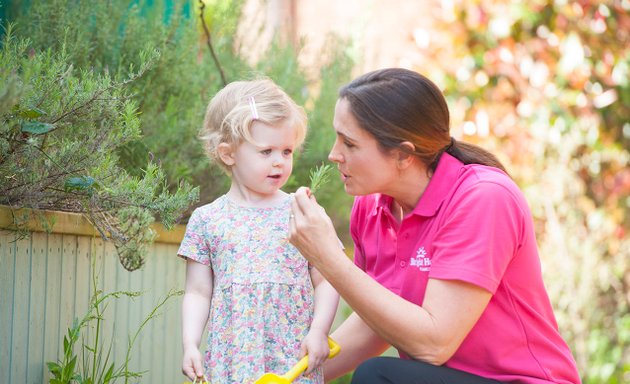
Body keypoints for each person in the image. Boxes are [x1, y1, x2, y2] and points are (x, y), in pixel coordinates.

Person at [288, 68, 581, 384]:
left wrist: (327, 258)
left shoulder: (482, 198)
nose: (334, 154)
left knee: (378, 377)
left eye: (350, 144)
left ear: (403, 154)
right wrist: (289, 379)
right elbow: (374, 324)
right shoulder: (372, 207)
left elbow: (433, 344)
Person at [178, 78, 340, 384]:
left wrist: (319, 331)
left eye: (287, 151)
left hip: (292, 360)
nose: (279, 161)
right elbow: (198, 292)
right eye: (266, 152)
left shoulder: (304, 210)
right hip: (232, 363)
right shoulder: (207, 220)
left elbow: (328, 278)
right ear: (228, 154)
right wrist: (190, 344)